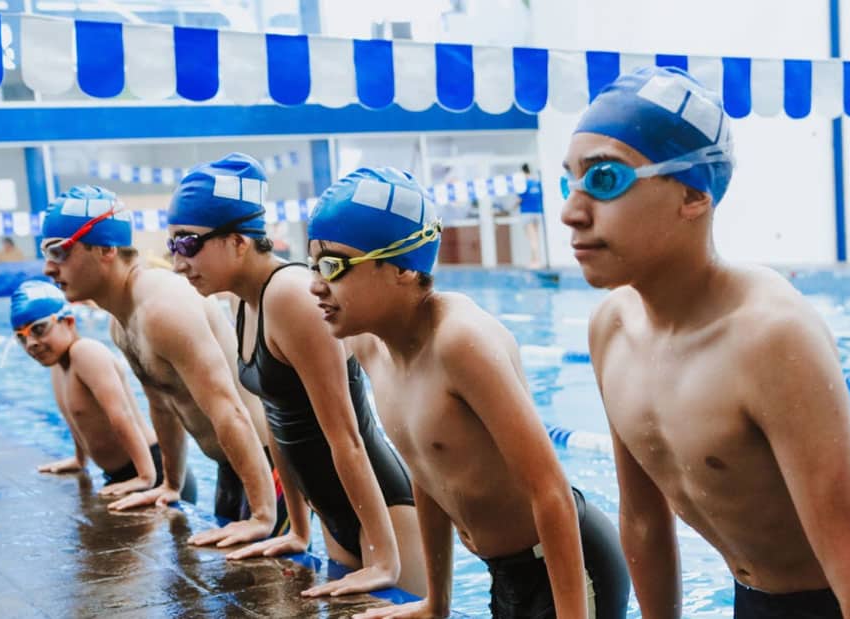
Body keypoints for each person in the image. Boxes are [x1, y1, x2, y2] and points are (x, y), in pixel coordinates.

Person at [560, 66, 850, 618]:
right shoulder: (610, 329)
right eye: (569, 181)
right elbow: (643, 519)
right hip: (752, 602)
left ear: (693, 195)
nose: (571, 211)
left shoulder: (771, 337)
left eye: (605, 180)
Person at [307, 168, 630, 619]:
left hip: (567, 568)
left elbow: (550, 489)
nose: (315, 285)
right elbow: (428, 472)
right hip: (505, 573)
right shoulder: (371, 347)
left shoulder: (460, 343)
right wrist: (436, 603)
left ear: (401, 268)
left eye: (333, 265)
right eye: (313, 266)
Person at [165, 153, 426, 597]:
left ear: (239, 241)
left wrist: (383, 556)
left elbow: (345, 434)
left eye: (188, 243)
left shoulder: (291, 296)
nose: (177, 261)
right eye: (171, 245)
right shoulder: (245, 303)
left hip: (381, 512)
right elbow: (279, 420)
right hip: (336, 513)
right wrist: (298, 528)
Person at [40, 185, 286, 547]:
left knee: (274, 591)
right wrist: (167, 484)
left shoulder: (163, 309)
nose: (48, 268)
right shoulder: (121, 322)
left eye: (59, 251)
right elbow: (162, 404)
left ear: (106, 249)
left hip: (268, 467)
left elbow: (228, 409)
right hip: (232, 467)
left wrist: (264, 514)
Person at [8, 280, 197, 501]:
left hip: (154, 471)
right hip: (122, 474)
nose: (31, 343)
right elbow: (76, 418)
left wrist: (145, 477)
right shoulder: (58, 367)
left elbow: (121, 414)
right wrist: (80, 460)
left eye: (38, 329)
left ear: (68, 321)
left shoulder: (86, 353)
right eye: (21, 337)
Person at [517, 163, 545, 269]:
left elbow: (519, 199)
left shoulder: (524, 184)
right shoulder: (537, 183)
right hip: (537, 212)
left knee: (532, 238)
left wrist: (510, 208)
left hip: (527, 213)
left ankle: (536, 261)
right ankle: (535, 260)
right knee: (536, 237)